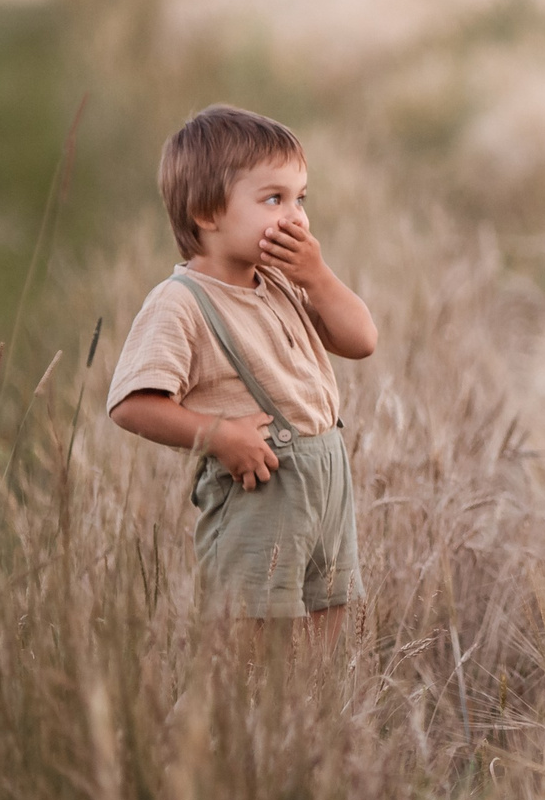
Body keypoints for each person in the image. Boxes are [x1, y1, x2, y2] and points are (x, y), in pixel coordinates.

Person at [105, 104, 379, 631]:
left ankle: (308, 717)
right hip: (261, 492)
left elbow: (362, 340)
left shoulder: (282, 282)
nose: (295, 216)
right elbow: (131, 404)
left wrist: (317, 275)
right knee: (247, 652)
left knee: (326, 638)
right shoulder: (180, 302)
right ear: (208, 213)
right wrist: (218, 436)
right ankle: (206, 719)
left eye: (301, 199)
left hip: (325, 484)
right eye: (274, 199)